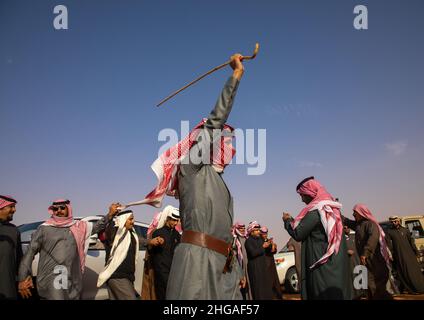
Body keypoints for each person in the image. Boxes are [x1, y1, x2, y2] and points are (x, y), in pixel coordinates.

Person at [128, 53, 245, 299]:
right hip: (197, 264)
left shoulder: (218, 181)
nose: (226, 144)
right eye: (221, 139)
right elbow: (214, 123)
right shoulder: (190, 168)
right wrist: (235, 77)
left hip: (224, 267)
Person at [18, 199, 118, 300]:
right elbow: (29, 253)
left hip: (73, 277)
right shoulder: (44, 228)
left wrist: (109, 214)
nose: (59, 211)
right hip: (52, 277)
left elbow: (97, 226)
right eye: (55, 209)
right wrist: (23, 278)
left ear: (68, 209)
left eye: (62, 208)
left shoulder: (79, 226)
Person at [282, 176, 352, 300]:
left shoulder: (316, 212)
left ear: (310, 193)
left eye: (303, 195)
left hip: (321, 266)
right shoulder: (332, 209)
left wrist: (287, 221)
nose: (302, 199)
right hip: (335, 264)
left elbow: (298, 234)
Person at [97, 209, 162, 300]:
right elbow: (101, 229)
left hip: (127, 277)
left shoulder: (131, 234)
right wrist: (110, 215)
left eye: (133, 219)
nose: (133, 222)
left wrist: (151, 241)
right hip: (117, 276)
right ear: (123, 220)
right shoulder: (113, 232)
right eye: (130, 219)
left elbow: (141, 240)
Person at [343, 204, 393, 300]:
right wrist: (335, 208)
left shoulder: (371, 224)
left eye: (355, 212)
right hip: (366, 261)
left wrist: (365, 253)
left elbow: (372, 239)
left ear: (361, 213)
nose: (353, 214)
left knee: (377, 286)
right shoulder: (358, 225)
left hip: (375, 259)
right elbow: (346, 221)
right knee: (370, 285)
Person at [385, 216, 424, 294]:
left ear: (398, 221)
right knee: (405, 272)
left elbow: (411, 242)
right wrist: (391, 255)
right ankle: (412, 290)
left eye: (395, 221)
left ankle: (420, 288)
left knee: (415, 271)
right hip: (400, 255)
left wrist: (416, 252)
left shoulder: (405, 230)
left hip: (410, 254)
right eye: (392, 222)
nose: (394, 223)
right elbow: (389, 245)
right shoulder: (389, 232)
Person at [149, 206, 181, 300]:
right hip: (161, 271)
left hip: (173, 272)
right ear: (168, 218)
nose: (175, 223)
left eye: (177, 220)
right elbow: (152, 251)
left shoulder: (177, 235)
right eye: (174, 220)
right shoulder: (158, 232)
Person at [0, 195, 24, 300]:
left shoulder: (13, 230)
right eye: (11, 206)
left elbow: (20, 259)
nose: (14, 210)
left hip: (8, 287)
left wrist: (23, 280)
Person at [245, 222, 274, 300]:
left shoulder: (260, 239)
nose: (259, 232)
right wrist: (263, 246)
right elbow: (253, 253)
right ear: (251, 231)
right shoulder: (248, 241)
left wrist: (269, 244)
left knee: (266, 287)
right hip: (255, 268)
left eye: (258, 230)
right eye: (256, 230)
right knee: (258, 289)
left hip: (263, 267)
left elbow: (267, 250)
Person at [260, 226, 283, 299]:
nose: (265, 235)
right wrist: (269, 245)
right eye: (263, 233)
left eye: (266, 233)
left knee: (274, 280)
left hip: (271, 263)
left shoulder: (267, 240)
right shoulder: (260, 241)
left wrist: (273, 245)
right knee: (268, 281)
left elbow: (273, 251)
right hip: (265, 264)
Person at [231, 222, 252, 300]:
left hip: (248, 265)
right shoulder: (235, 239)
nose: (243, 230)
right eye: (241, 228)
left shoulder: (246, 238)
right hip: (239, 266)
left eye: (244, 228)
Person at [343, 225, 363, 299]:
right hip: (348, 262)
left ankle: (362, 293)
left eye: (347, 227)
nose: (346, 229)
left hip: (358, 260)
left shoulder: (355, 236)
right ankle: (354, 295)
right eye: (344, 228)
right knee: (351, 278)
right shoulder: (341, 238)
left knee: (360, 275)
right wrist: (346, 251)